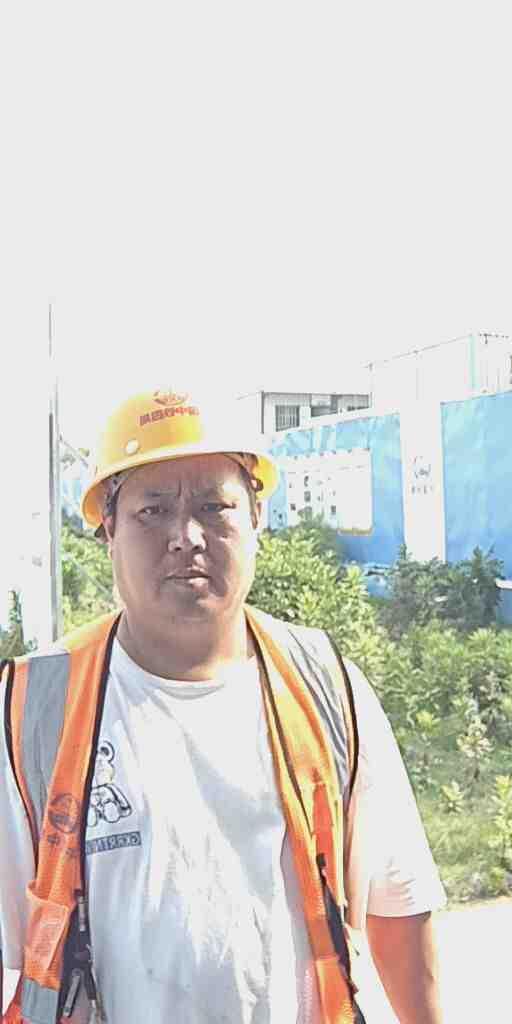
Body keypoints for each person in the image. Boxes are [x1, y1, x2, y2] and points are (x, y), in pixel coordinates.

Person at [0, 388, 446, 1024]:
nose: (186, 537)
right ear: (108, 530)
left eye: (214, 507)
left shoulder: (325, 686)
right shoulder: (32, 711)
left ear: (257, 519)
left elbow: (397, 901)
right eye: (153, 510)